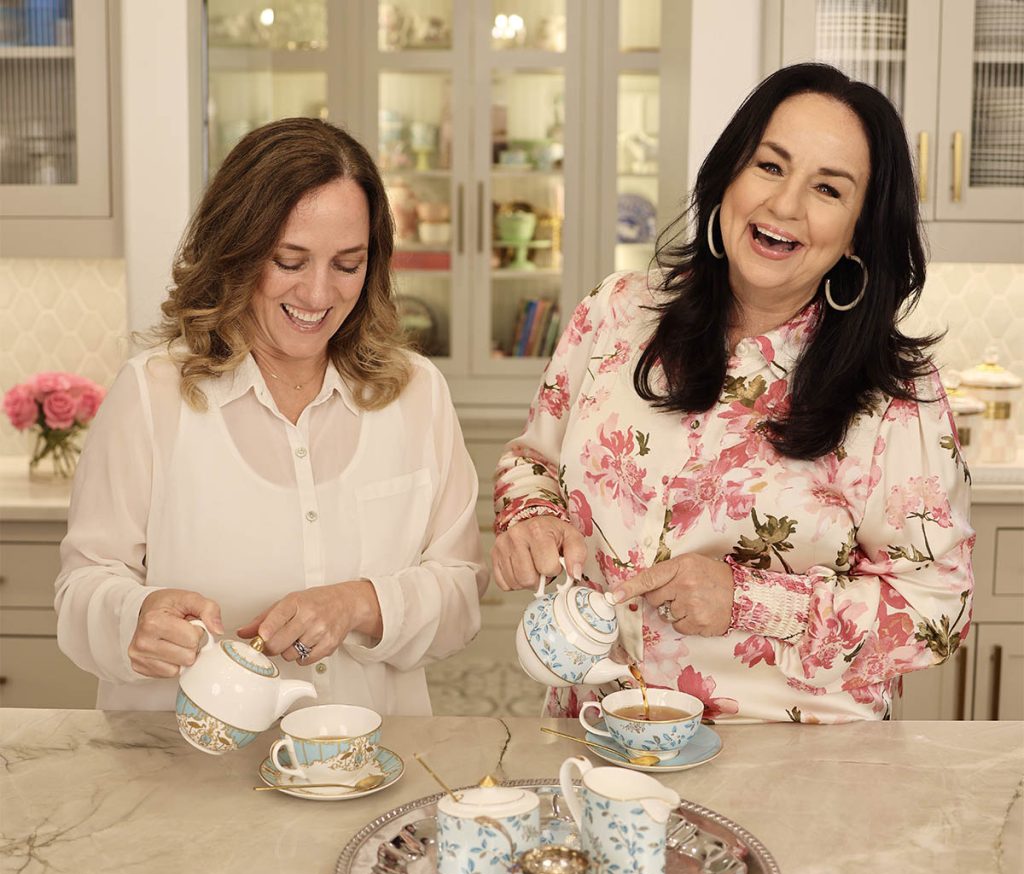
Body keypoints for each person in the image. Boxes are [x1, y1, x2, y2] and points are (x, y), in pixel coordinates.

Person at [492, 63, 974, 724]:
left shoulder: (895, 396)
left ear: (859, 231)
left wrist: (749, 600)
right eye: (770, 166)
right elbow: (533, 461)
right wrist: (530, 515)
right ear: (728, 176)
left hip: (788, 759)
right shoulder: (617, 312)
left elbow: (938, 611)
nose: (785, 205)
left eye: (827, 189)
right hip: (598, 738)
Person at [56, 117, 487, 714]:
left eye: (347, 264)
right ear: (234, 252)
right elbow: (82, 586)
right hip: (187, 766)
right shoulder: (152, 394)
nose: (318, 295)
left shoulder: (417, 394)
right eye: (289, 261)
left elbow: (462, 589)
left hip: (368, 760)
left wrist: (362, 604)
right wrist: (133, 617)